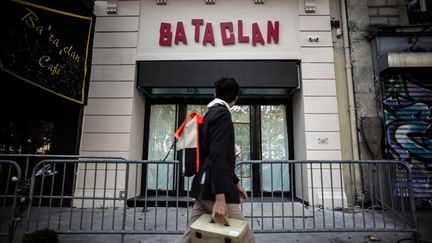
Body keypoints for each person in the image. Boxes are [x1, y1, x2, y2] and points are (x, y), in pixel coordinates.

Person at [180, 77, 256, 243]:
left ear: (215, 94)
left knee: (190, 237)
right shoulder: (222, 115)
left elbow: (213, 155)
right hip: (214, 190)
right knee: (244, 237)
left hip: (203, 186)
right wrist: (220, 198)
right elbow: (218, 156)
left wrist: (236, 183)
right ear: (235, 98)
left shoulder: (210, 114)